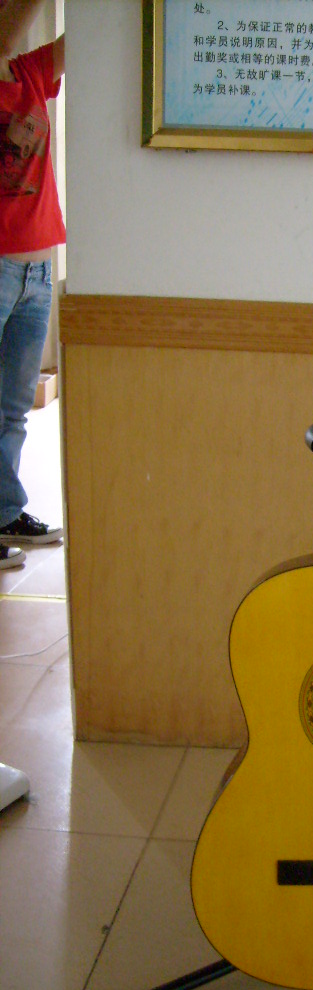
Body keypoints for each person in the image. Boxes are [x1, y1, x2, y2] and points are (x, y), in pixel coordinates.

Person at [0, 0, 64, 569]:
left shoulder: (31, 74)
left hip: (38, 268)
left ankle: (4, 511)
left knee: (14, 406)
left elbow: (79, 43)